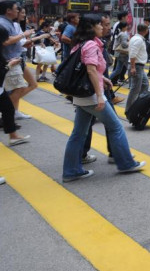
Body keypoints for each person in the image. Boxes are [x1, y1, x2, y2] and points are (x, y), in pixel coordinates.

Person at [62, 14, 145, 182]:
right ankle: (126, 163)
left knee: (78, 134)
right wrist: (100, 95)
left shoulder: (79, 43)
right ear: (91, 27)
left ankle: (71, 170)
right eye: (100, 25)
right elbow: (91, 70)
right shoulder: (91, 45)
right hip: (91, 95)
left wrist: (104, 78)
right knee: (115, 127)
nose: (103, 28)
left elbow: (89, 69)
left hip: (81, 95)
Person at [0, 0, 37, 120]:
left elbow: (10, 41)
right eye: (16, 9)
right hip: (8, 60)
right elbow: (5, 41)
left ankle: (6, 115)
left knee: (5, 91)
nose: (18, 12)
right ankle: (6, 114)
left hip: (13, 59)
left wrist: (22, 44)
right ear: (8, 11)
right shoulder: (2, 24)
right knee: (19, 88)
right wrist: (24, 35)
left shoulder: (8, 23)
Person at [0, 26, 31, 146]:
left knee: (9, 109)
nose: (7, 40)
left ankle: (13, 136)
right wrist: (10, 65)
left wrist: (8, 62)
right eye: (5, 38)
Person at [125, 24, 149, 113]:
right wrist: (132, 67)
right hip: (137, 66)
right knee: (135, 89)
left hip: (139, 67)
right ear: (145, 30)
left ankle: (139, 104)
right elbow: (132, 54)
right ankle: (129, 110)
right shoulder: (138, 40)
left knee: (145, 84)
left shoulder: (136, 38)